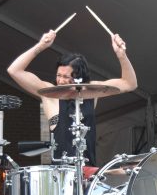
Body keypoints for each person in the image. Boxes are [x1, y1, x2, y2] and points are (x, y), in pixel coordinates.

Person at [7, 29, 137, 166]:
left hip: (87, 171)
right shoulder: (49, 94)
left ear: (78, 77)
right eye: (59, 75)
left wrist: (121, 55)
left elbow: (130, 84)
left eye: (66, 76)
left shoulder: (92, 90)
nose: (61, 81)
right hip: (60, 174)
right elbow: (14, 70)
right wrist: (40, 46)